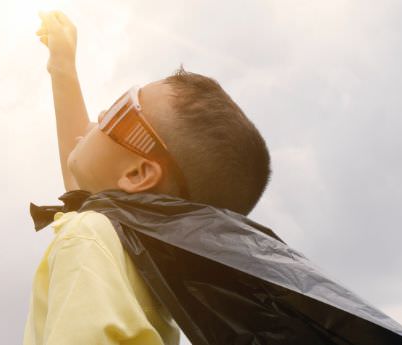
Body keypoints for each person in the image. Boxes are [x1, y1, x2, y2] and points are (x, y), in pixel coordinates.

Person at [24, 10, 271, 345]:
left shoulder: (90, 236)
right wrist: (62, 66)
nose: (100, 115)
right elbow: (82, 182)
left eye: (119, 110)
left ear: (138, 173)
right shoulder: (140, 258)